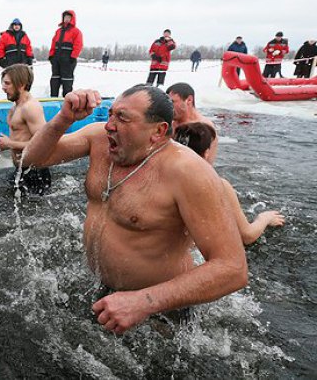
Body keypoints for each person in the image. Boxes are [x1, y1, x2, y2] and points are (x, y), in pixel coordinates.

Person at [22, 85, 248, 334]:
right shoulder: (99, 140)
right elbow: (32, 160)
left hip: (161, 309)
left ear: (159, 131)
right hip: (102, 288)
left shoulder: (187, 171)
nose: (109, 125)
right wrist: (63, 119)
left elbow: (233, 268)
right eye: (110, 114)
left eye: (122, 118)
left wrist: (145, 302)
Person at [173, 122, 285, 245]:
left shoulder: (159, 179)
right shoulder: (218, 184)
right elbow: (246, 236)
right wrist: (265, 218)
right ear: (206, 153)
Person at [0, 64, 50, 195]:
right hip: (22, 169)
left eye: (7, 83)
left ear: (21, 84)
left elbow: (44, 145)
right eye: (3, 83)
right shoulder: (15, 107)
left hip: (35, 173)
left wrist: (10, 144)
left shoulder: (30, 108)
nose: (3, 88)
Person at [165, 82, 218, 164]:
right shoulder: (170, 123)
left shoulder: (204, 127)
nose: (169, 106)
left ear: (189, 100)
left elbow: (206, 163)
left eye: (172, 102)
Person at [48, 10, 83, 97]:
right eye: (65, 17)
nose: (66, 19)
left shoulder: (76, 31)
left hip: (68, 60)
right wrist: (51, 55)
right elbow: (53, 43)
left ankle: (67, 100)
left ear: (72, 19)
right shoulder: (58, 31)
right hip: (57, 59)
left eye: (68, 17)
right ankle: (53, 99)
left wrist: (73, 56)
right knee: (55, 79)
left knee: (67, 81)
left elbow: (78, 44)